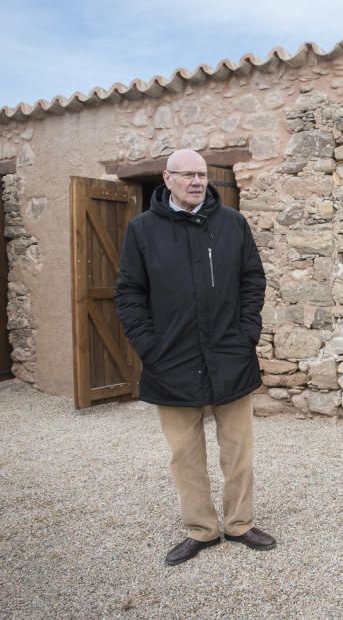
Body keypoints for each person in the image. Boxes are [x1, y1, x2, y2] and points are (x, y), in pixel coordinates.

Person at [116, 148, 275, 566]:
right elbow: (130, 293)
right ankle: (201, 529)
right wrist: (150, 346)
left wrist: (247, 335)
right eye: (187, 174)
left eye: (202, 174)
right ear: (166, 179)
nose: (197, 181)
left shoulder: (232, 225)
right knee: (184, 454)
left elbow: (252, 280)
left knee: (237, 450)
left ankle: (240, 524)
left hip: (230, 354)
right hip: (171, 360)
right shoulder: (142, 231)